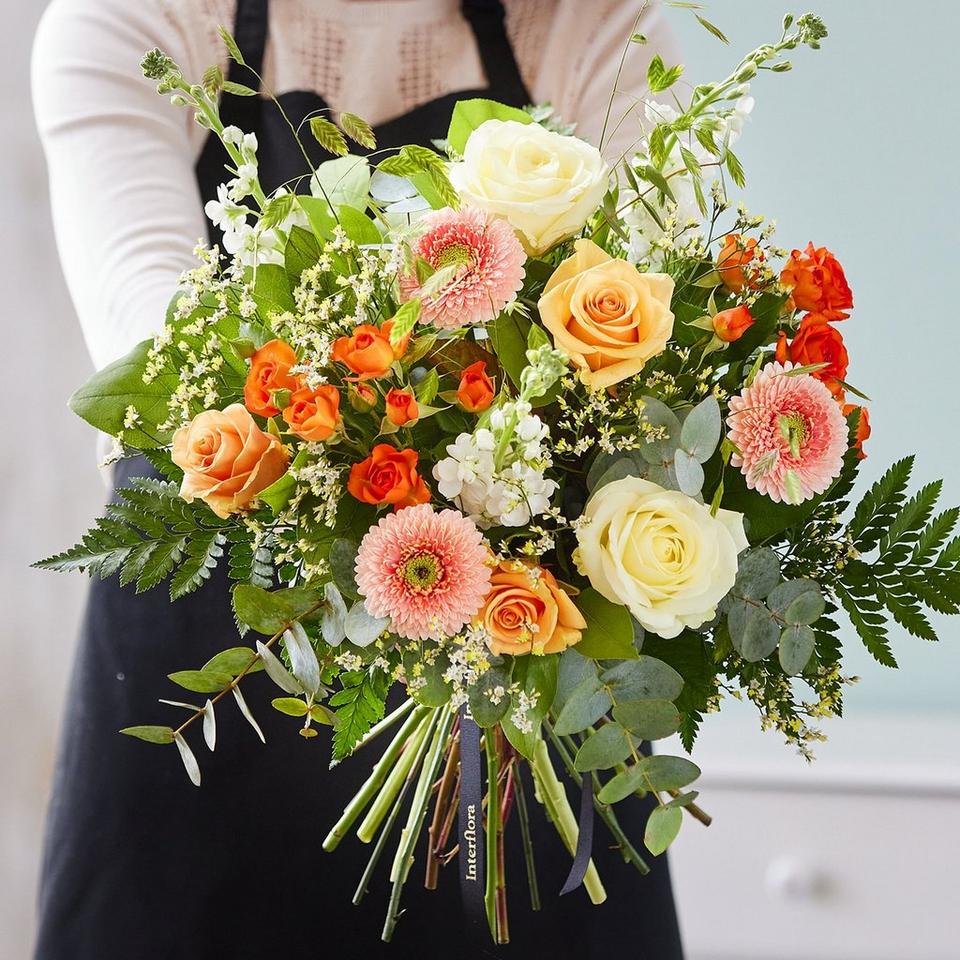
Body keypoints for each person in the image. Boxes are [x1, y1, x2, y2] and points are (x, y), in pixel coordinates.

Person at [32, 2, 684, 957]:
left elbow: (646, 371)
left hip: (521, 690)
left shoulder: (597, 25)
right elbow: (166, 361)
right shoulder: (134, 15)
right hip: (208, 679)